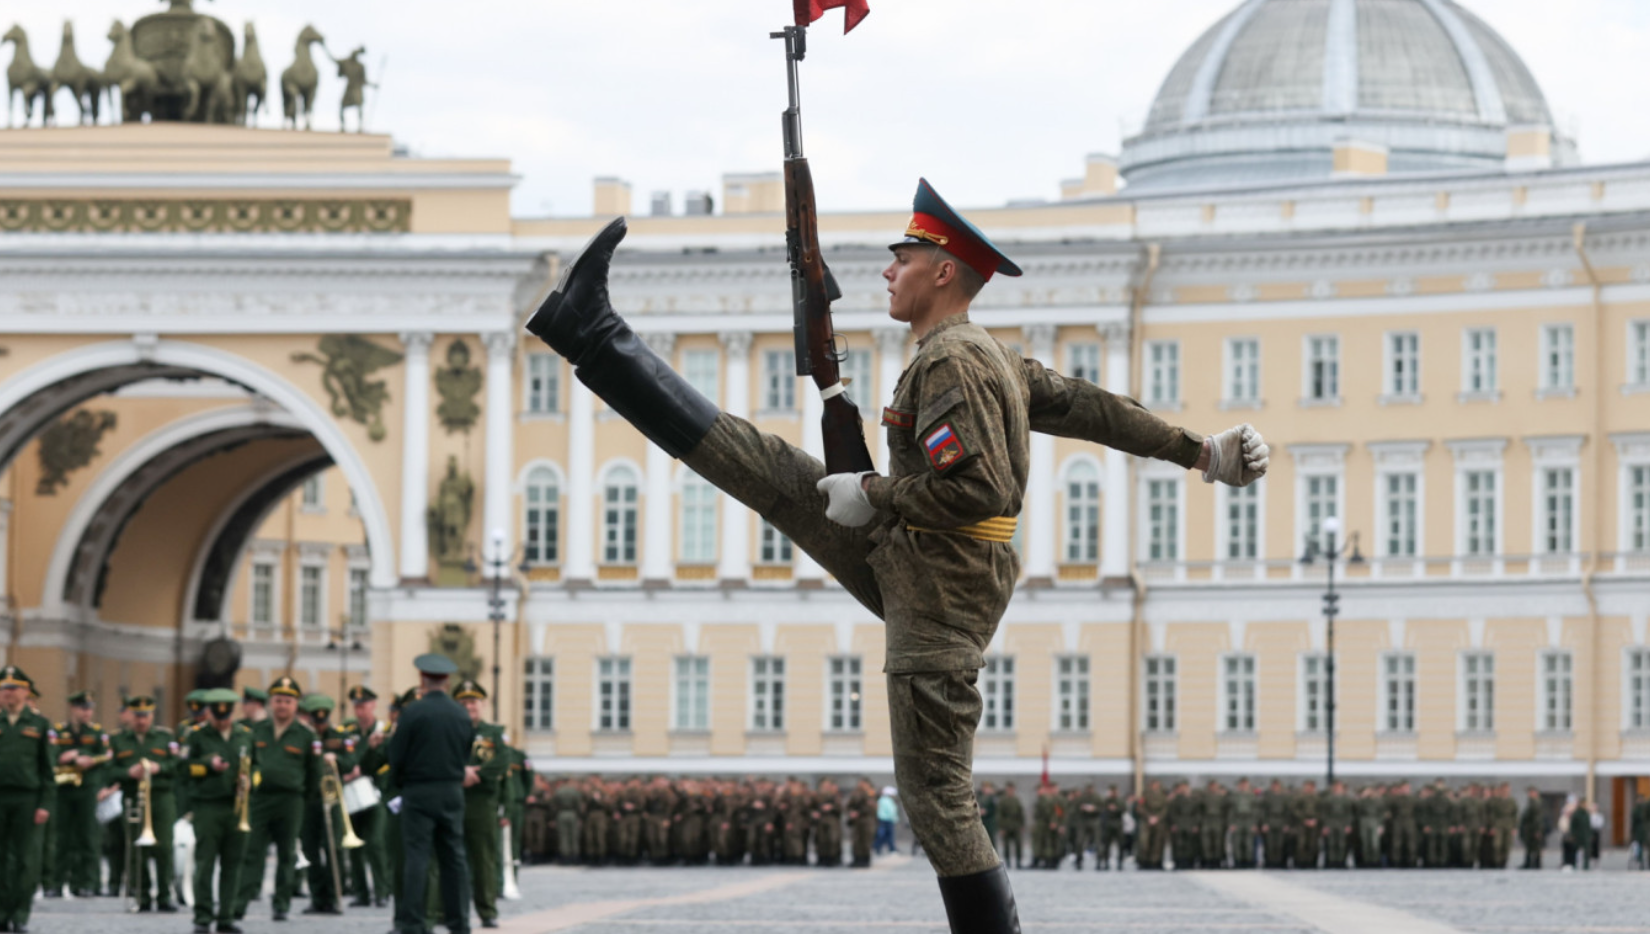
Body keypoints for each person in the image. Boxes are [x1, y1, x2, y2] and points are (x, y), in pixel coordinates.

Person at [526, 179, 1268, 931]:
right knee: (768, 469)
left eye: (904, 257)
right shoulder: (988, 358)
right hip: (927, 562)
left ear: (944, 271)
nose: (888, 271)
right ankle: (590, 330)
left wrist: (875, 493)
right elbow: (1093, 408)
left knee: (937, 797)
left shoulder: (954, 361)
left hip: (939, 583)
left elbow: (976, 490)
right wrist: (1199, 451)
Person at [388, 654, 474, 934]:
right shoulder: (461, 713)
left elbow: (397, 755)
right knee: (454, 859)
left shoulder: (412, 712)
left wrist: (400, 783)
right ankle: (459, 923)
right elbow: (465, 751)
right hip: (451, 790)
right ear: (447, 681)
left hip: (419, 790)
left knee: (417, 858)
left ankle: (413, 922)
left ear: (421, 679)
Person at [234, 676, 319, 922]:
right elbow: (246, 763)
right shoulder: (256, 731)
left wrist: (304, 796)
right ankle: (240, 903)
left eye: (288, 701)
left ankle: (281, 903)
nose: (282, 705)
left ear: (296, 705)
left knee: (287, 853)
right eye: (278, 700)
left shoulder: (305, 735)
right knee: (252, 851)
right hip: (260, 799)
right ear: (271, 703)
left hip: (291, 800)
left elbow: (313, 773)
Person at [186, 688, 254, 934]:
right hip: (208, 805)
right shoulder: (196, 736)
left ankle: (226, 916)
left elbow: (256, 767)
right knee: (205, 863)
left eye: (226, 715)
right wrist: (207, 765)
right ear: (209, 713)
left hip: (237, 807)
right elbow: (184, 768)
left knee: (233, 863)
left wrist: (250, 781)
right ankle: (202, 916)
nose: (222, 719)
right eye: (217, 715)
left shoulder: (245, 735)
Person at [109, 693, 178, 913]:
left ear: (152, 715)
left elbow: (178, 765)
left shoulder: (165, 738)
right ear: (131, 715)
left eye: (146, 716)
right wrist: (128, 772)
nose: (141, 721)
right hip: (133, 798)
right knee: (136, 849)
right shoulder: (118, 740)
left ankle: (165, 895)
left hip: (160, 797)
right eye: (138, 716)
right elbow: (108, 770)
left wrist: (160, 768)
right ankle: (142, 894)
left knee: (164, 848)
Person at [0, 666, 55, 933]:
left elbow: (48, 769)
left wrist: (45, 803)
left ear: (25, 692)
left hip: (28, 799)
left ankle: (20, 913)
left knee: (25, 859)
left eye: (12, 689)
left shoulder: (39, 724)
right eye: (3, 689)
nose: (7, 694)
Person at [452, 679, 506, 929]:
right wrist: (459, 773)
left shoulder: (493, 733)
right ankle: (447, 908)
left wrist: (477, 775)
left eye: (472, 701)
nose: (468, 706)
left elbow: (502, 761)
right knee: (451, 857)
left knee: (483, 858)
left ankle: (487, 910)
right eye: (463, 702)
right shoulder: (449, 729)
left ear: (481, 704)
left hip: (482, 803)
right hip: (453, 799)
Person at [51, 690, 108, 898]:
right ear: (73, 708)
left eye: (90, 709)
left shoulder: (96, 732)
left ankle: (86, 883)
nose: (87, 713)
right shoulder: (58, 731)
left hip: (87, 788)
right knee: (61, 837)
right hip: (64, 788)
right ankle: (55, 883)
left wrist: (87, 757)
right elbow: (49, 753)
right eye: (83, 708)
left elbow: (106, 756)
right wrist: (62, 756)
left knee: (88, 837)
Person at [343, 685, 392, 907]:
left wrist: (362, 769)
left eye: (364, 705)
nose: (360, 710)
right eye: (357, 706)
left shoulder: (383, 730)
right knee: (354, 845)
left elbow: (387, 762)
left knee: (376, 843)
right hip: (351, 794)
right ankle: (360, 892)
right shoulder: (346, 731)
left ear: (373, 705)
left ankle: (381, 891)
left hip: (375, 794)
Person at [1520, 787, 1546, 869]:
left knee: (1536, 847)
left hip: (1534, 829)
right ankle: (1529, 863)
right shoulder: (1532, 802)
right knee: (1530, 847)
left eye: (1531, 792)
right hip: (1530, 829)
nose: (1529, 794)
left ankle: (1536, 864)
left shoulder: (1536, 803)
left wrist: (1538, 830)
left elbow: (1537, 818)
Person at [874, 786, 899, 856]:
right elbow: (891, 811)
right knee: (888, 835)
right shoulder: (888, 801)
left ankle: (878, 846)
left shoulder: (881, 800)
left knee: (883, 834)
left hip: (882, 819)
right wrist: (895, 819)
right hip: (887, 820)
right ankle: (891, 849)